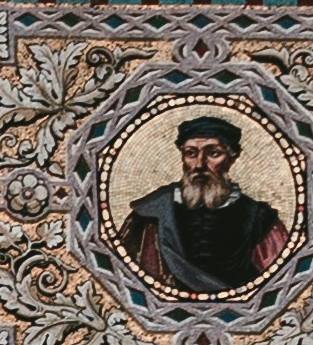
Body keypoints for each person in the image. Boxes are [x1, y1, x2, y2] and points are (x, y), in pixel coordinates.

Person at [120, 113, 286, 293]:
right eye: (191, 153)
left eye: (213, 153)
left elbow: (280, 282)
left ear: (232, 158)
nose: (199, 164)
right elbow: (124, 278)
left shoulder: (260, 218)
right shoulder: (150, 213)